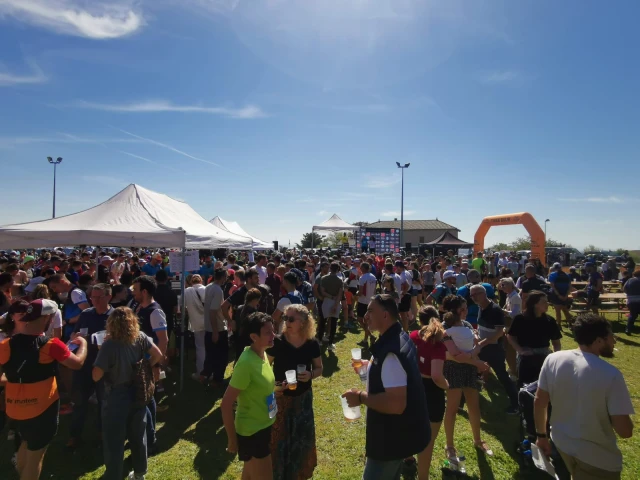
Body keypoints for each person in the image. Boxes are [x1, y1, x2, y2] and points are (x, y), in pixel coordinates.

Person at [534, 313, 634, 479]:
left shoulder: (552, 359)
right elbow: (625, 431)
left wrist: (541, 436)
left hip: (561, 443)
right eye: (611, 337)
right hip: (597, 457)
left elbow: (539, 401)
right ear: (599, 341)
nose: (614, 341)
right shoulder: (611, 374)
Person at [342, 294, 430, 480]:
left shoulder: (391, 353)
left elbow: (395, 404)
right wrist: (370, 365)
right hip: (403, 435)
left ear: (385, 315)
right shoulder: (399, 336)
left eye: (370, 310)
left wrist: (359, 397)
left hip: (391, 440)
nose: (365, 315)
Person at [0, 299, 88, 480]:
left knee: (26, 444)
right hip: (43, 408)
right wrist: (83, 344)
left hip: (15, 408)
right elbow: (77, 364)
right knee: (36, 456)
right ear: (47, 318)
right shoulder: (51, 344)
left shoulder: (5, 345)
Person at [93, 307, 164, 480]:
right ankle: (140, 473)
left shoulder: (109, 344)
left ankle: (113, 475)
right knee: (139, 435)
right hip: (138, 391)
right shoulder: (140, 337)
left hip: (116, 394)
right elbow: (157, 354)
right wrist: (146, 366)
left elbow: (96, 375)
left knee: (114, 440)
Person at [267, 305, 323, 480]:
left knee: (301, 439)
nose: (286, 322)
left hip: (302, 399)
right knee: (277, 441)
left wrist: (311, 374)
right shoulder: (277, 342)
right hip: (280, 398)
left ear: (303, 323)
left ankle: (298, 474)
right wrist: (273, 386)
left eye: (291, 319)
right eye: (285, 318)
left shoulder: (311, 343)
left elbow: (320, 368)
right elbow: (264, 367)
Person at [221, 312, 277, 480]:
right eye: (268, 333)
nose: (273, 335)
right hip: (253, 431)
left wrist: (277, 389)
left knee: (249, 476)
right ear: (254, 336)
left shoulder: (262, 353)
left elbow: (259, 387)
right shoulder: (245, 363)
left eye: (273, 330)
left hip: (264, 425)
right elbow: (226, 404)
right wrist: (232, 439)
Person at [440, 295, 492, 460]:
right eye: (464, 308)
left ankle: (477, 440)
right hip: (453, 369)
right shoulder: (443, 328)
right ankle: (449, 445)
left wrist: (474, 354)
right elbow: (449, 355)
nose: (467, 311)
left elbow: (475, 347)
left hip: (469, 368)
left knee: (474, 406)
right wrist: (476, 359)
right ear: (456, 310)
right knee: (453, 408)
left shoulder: (468, 325)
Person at [66, 283, 115, 449]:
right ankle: (75, 435)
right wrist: (75, 336)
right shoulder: (86, 314)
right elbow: (74, 334)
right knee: (79, 401)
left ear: (109, 297)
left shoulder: (115, 316)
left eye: (98, 297)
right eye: (92, 297)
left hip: (105, 366)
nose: (94, 300)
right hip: (85, 365)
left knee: (104, 402)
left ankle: (103, 434)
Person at [409, 306, 448, 478]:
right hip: (432, 392)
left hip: (412, 387)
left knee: (410, 426)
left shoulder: (412, 336)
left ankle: (408, 456)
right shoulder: (438, 343)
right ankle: (422, 476)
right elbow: (436, 376)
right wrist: (447, 386)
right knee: (428, 441)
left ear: (420, 320)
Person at [132, 275, 168, 450]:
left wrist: (156, 363)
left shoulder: (155, 311)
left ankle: (150, 434)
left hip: (148, 362)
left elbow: (163, 339)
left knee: (147, 398)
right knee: (146, 397)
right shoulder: (140, 307)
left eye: (136, 290)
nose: (133, 292)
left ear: (144, 292)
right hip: (140, 361)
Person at [472, 284, 520, 415]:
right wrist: (477, 334)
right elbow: (484, 327)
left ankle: (516, 404)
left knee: (502, 376)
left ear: (484, 293)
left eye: (476, 294)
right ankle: (467, 399)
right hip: (483, 346)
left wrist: (481, 343)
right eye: (472, 295)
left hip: (493, 349)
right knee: (472, 368)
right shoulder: (481, 307)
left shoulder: (494, 309)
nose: (474, 297)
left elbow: (499, 332)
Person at [506, 291, 562, 387]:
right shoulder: (520, 319)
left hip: (544, 356)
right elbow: (511, 337)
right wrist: (520, 350)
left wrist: (554, 358)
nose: (547, 304)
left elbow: (556, 342)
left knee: (544, 386)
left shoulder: (550, 321)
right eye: (544, 302)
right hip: (526, 357)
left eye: (547, 301)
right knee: (525, 387)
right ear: (535, 304)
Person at [200, 268, 229, 386]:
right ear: (222, 277)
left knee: (211, 355)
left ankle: (205, 375)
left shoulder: (209, 286)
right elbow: (213, 311)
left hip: (209, 327)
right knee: (221, 357)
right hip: (217, 328)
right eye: (225, 276)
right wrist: (215, 331)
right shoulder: (217, 290)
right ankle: (216, 380)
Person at [183, 274, 207, 374]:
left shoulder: (186, 291)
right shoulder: (206, 289)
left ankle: (201, 371)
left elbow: (181, 308)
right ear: (201, 281)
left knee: (200, 348)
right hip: (209, 322)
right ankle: (210, 371)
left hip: (196, 323)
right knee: (209, 347)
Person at [318, 262, 343, 352]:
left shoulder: (324, 278)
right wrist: (335, 305)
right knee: (333, 324)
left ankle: (320, 340)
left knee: (322, 322)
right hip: (336, 302)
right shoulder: (340, 280)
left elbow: (323, 292)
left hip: (326, 301)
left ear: (330, 268)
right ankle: (330, 343)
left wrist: (330, 297)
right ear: (338, 269)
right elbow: (340, 295)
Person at [547, 262, 574, 328]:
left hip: (556, 295)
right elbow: (569, 286)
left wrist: (558, 295)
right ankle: (570, 324)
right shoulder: (567, 275)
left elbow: (552, 286)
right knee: (565, 310)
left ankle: (559, 325)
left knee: (558, 311)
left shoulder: (552, 275)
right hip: (565, 295)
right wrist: (565, 296)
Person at [357, 262, 377, 346]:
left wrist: (355, 293)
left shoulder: (362, 277)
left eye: (361, 268)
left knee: (360, 320)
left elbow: (361, 292)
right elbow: (375, 290)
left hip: (362, 301)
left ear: (364, 268)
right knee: (366, 321)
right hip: (370, 301)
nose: (360, 269)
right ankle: (366, 339)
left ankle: (370, 336)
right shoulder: (373, 276)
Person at [624, 270, 640, 335]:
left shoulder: (629, 280)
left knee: (632, 315)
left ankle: (628, 329)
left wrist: (629, 293)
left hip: (631, 301)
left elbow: (624, 288)